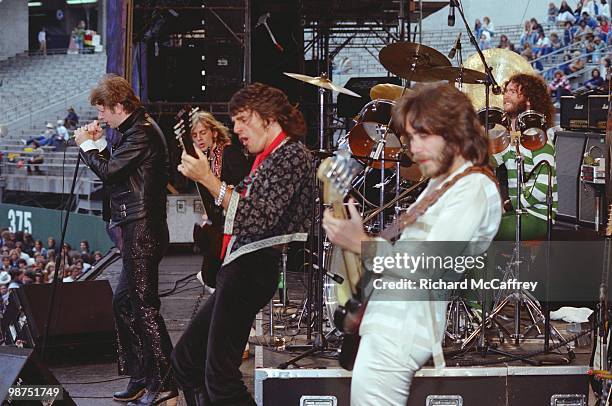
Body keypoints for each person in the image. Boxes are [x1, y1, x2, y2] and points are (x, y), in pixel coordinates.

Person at [322, 83, 502, 405]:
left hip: (403, 328)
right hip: (390, 321)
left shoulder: (473, 187)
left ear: (455, 133)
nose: (413, 148)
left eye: (423, 135)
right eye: (410, 137)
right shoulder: (443, 183)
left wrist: (363, 243)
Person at [172, 83, 313, 406]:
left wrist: (209, 180)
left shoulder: (291, 156)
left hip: (252, 268)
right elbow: (241, 207)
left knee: (220, 377)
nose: (235, 130)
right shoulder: (269, 156)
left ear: (269, 118)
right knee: (186, 360)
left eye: (243, 120)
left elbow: (256, 217)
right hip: (239, 266)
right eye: (234, 121)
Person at [74, 74, 176, 405]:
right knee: (124, 304)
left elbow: (111, 172)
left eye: (102, 110)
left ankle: (164, 380)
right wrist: (100, 145)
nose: (99, 117)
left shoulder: (142, 132)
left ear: (118, 106)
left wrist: (86, 146)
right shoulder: (135, 130)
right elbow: (124, 167)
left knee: (144, 306)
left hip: (142, 229)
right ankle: (143, 375)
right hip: (139, 227)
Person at [188, 111, 249, 290]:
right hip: (219, 222)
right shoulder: (206, 158)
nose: (199, 138)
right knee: (212, 274)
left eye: (203, 133)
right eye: (195, 135)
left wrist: (227, 190)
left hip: (236, 220)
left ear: (214, 132)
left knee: (213, 274)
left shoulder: (229, 152)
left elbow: (246, 182)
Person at [494, 73, 558, 241]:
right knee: (475, 226)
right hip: (520, 212)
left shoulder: (537, 137)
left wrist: (514, 203)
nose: (506, 95)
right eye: (506, 91)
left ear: (528, 100)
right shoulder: (511, 137)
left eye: (513, 92)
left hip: (538, 217)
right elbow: (490, 162)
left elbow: (544, 185)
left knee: (481, 232)